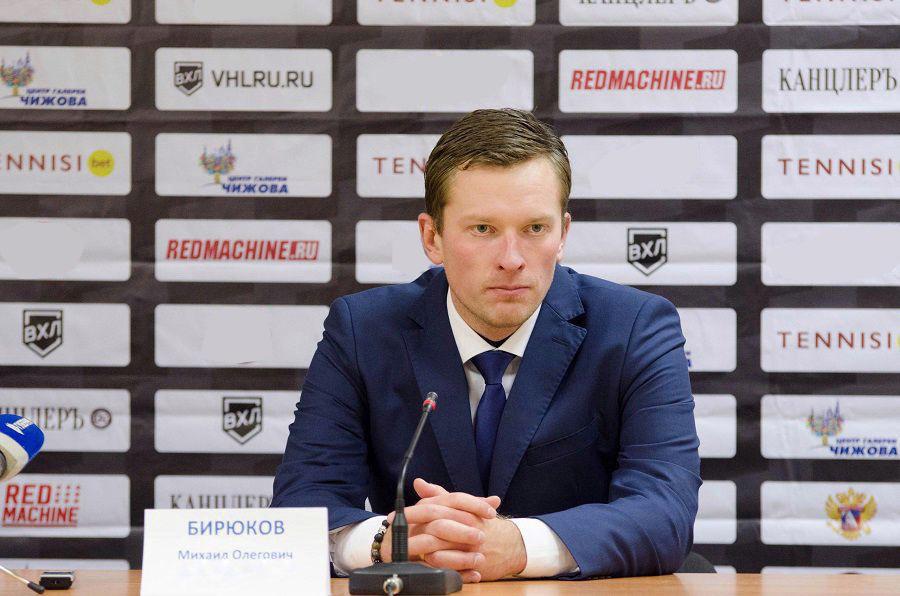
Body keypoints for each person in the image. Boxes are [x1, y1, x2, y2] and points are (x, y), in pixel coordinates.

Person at [272, 108, 701, 582]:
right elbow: (302, 508)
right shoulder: (363, 331)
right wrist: (389, 542)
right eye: (483, 229)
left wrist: (517, 545)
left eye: (535, 229)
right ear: (432, 237)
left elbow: (664, 511)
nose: (512, 259)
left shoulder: (635, 327)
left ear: (563, 234)